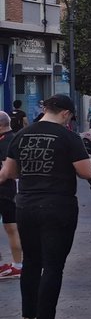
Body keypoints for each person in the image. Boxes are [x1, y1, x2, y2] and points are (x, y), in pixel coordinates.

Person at [0, 94, 91, 319]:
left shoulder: (21, 135)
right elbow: (87, 172)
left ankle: (28, 318)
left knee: (31, 262)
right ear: (65, 113)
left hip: (25, 205)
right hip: (57, 205)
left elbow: (9, 172)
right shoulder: (68, 137)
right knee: (53, 265)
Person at [0, 113, 22, 278]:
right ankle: (16, 264)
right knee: (11, 228)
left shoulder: (5, 141)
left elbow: (5, 172)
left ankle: (15, 265)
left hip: (4, 191)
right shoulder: (13, 138)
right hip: (9, 192)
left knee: (11, 228)